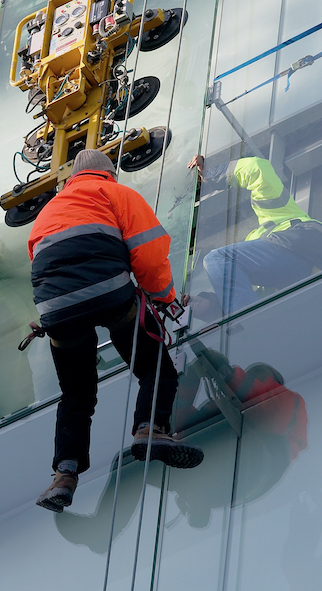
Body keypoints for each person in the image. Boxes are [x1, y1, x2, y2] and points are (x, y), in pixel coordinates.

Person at [28, 148, 203, 513]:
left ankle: (64, 475)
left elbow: (43, 266)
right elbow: (149, 252)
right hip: (110, 294)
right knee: (155, 369)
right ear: (108, 173)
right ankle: (150, 430)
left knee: (76, 395)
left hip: (55, 310)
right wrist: (166, 299)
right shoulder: (117, 194)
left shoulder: (47, 212)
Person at [189, 154, 322, 315]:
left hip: (306, 249)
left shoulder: (275, 214)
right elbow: (241, 294)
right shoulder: (255, 257)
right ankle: (248, 325)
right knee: (220, 263)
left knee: (216, 259)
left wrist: (210, 174)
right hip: (308, 280)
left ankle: (249, 327)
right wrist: (208, 304)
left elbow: (257, 169)